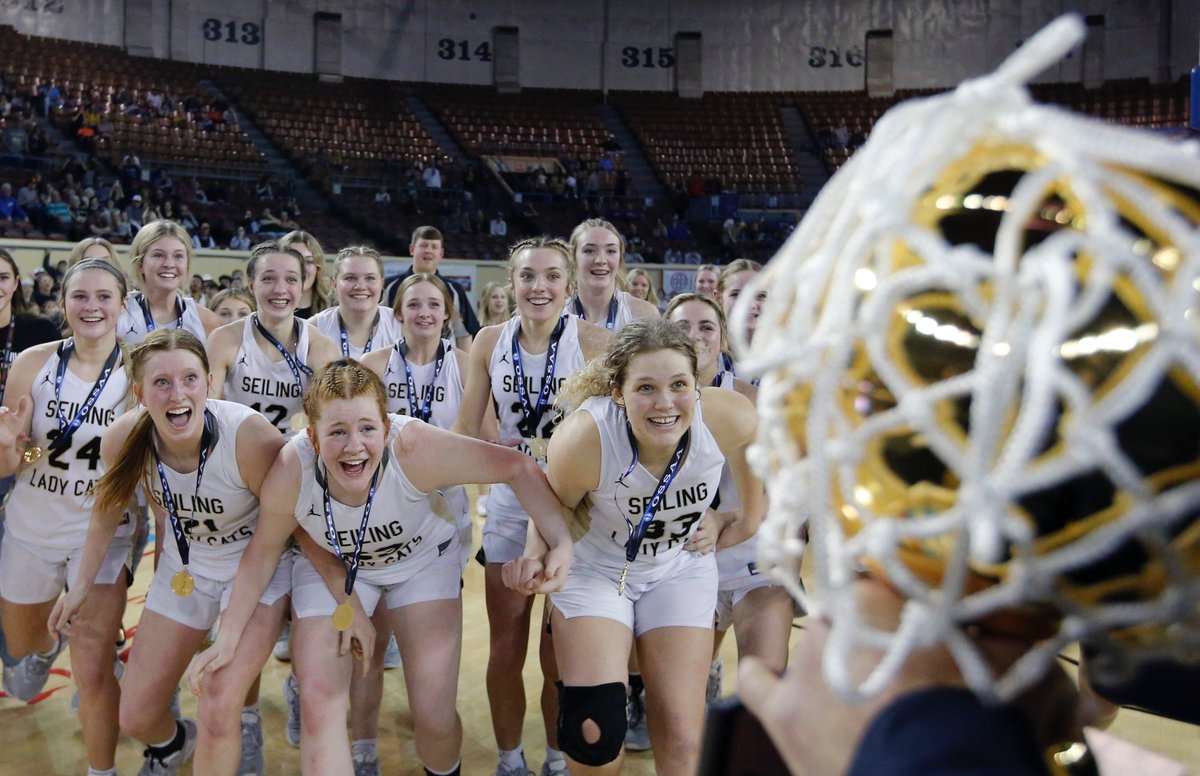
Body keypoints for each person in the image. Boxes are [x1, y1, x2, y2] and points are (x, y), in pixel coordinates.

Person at [190, 360, 574, 776]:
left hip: (421, 563)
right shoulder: (291, 469)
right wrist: (227, 638)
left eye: (367, 428)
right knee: (318, 702)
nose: (354, 445)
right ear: (313, 437)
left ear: (387, 428)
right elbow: (263, 553)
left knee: (433, 714)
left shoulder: (416, 447)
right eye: (337, 432)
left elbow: (517, 467)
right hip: (336, 566)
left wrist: (561, 541)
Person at [510, 317, 762, 776]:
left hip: (678, 568)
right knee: (593, 734)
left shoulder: (732, 418)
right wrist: (539, 554)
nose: (665, 403)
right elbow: (550, 509)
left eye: (679, 384)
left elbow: (752, 513)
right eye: (645, 387)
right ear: (618, 392)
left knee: (684, 738)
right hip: (595, 570)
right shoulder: (585, 437)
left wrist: (723, 518)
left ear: (697, 386)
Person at [49, 328, 289, 776]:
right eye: (161, 382)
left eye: (189, 379)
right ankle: (176, 741)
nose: (178, 394)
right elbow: (106, 510)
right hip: (189, 568)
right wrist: (80, 586)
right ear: (140, 393)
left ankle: (246, 722)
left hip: (257, 569)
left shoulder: (250, 437)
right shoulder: (123, 437)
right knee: (135, 715)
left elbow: (280, 535)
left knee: (217, 704)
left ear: (209, 383)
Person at [455, 236, 610, 776]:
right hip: (509, 505)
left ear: (569, 287)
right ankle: (509, 759)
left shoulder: (595, 342)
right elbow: (466, 427)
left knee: (559, 655)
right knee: (506, 644)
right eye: (527, 276)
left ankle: (556, 759)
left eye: (551, 276)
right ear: (511, 283)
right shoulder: (489, 341)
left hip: (575, 510)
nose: (538, 286)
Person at [0, 259, 134, 776]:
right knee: (21, 643)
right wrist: (12, 450)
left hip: (101, 532)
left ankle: (102, 770)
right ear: (64, 303)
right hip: (31, 526)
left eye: (104, 296)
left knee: (94, 668)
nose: (91, 306)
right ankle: (44, 648)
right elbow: (16, 460)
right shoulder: (33, 363)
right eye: (80, 296)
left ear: (123, 304)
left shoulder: (139, 372)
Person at [664, 293, 793, 701]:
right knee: (679, 696)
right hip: (680, 560)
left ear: (722, 339)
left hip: (751, 557)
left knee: (764, 692)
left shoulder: (752, 402)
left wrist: (726, 518)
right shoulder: (649, 402)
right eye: (682, 326)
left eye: (706, 327)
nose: (694, 335)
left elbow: (788, 492)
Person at [207, 241, 339, 436]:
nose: (279, 289)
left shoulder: (321, 347)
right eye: (268, 279)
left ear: (302, 287)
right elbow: (208, 413)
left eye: (291, 279)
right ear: (251, 285)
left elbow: (330, 420)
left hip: (298, 449)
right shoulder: (224, 340)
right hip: (236, 446)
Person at [117, 220, 223, 345]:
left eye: (178, 256)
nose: (169, 264)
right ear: (140, 264)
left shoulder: (207, 321)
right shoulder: (119, 314)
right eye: (158, 255)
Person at [381, 226, 480, 347]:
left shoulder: (454, 290)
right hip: (396, 355)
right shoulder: (390, 286)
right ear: (412, 249)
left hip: (443, 357)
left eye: (434, 247)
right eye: (423, 245)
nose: (428, 250)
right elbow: (379, 326)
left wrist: (464, 360)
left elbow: (464, 334)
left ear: (441, 253)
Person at [310, 246, 403, 360]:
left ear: (381, 283)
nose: (360, 286)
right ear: (334, 284)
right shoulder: (314, 328)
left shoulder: (400, 327)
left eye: (370, 278)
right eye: (350, 278)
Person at [569, 219, 659, 334]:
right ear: (572, 258)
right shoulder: (556, 313)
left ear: (620, 260)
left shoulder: (643, 314)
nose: (600, 260)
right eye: (589, 251)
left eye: (610, 251)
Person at [717, 259, 764, 379]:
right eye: (737, 295)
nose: (751, 304)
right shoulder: (701, 356)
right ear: (719, 299)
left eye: (760, 296)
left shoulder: (787, 356)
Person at [279, 231, 332, 320]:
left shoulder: (333, 312)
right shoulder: (265, 310)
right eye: (293, 261)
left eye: (308, 262)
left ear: (318, 267)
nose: (301, 269)